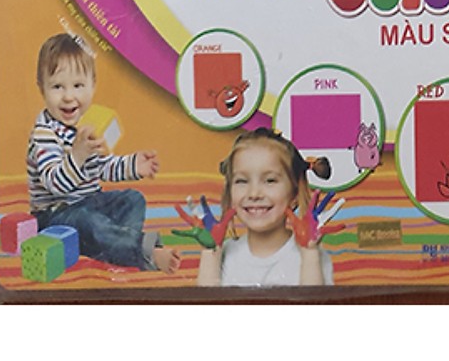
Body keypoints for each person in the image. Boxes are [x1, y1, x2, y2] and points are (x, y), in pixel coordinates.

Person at [27, 34, 179, 272]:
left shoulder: (87, 123)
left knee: (133, 199)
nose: (68, 96)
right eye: (57, 87)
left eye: (78, 86)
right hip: (56, 216)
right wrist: (77, 155)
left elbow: (102, 166)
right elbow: (55, 185)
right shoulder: (44, 134)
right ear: (42, 88)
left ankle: (118, 248)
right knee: (88, 221)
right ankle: (143, 251)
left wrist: (133, 165)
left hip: (91, 203)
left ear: (93, 85)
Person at [196, 128, 335, 287]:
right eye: (242, 181)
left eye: (270, 181)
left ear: (295, 194)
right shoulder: (223, 253)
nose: (254, 194)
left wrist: (310, 253)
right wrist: (210, 252)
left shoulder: (312, 255)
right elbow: (208, 301)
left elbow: (314, 302)